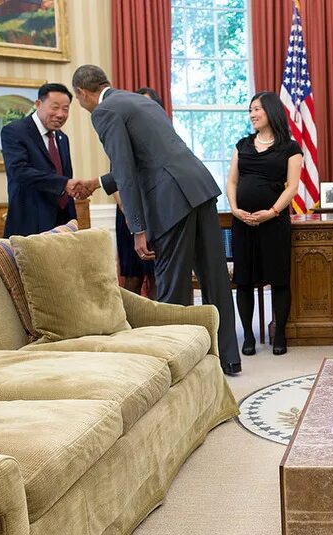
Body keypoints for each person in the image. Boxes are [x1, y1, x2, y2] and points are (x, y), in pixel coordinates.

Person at [71, 65, 241, 376]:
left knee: (172, 287)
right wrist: (96, 182)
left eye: (78, 101)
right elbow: (148, 158)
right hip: (198, 187)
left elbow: (126, 169)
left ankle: (174, 363)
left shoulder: (104, 111)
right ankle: (229, 357)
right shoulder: (142, 102)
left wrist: (138, 228)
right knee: (215, 278)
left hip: (170, 200)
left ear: (82, 93)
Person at [226, 92, 302, 356]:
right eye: (250, 110)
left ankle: (279, 333)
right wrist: (235, 209)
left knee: (279, 279)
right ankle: (248, 336)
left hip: (274, 222)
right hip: (243, 222)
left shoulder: (290, 148)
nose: (252, 114)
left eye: (256, 109)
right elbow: (232, 181)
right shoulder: (242, 145)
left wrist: (271, 212)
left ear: (270, 111)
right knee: (244, 281)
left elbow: (292, 186)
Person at [2, 82, 94, 237]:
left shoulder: (62, 138)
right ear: (38, 104)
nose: (60, 114)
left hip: (63, 223)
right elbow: (19, 171)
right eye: (55, 107)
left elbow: (65, 177)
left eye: (65, 109)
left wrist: (74, 191)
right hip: (30, 223)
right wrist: (64, 184)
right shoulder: (15, 131)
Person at [112, 87, 162, 298]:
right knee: (132, 278)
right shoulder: (120, 136)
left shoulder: (163, 138)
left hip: (156, 216)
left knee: (157, 277)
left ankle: (159, 326)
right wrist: (131, 213)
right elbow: (115, 178)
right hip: (128, 218)